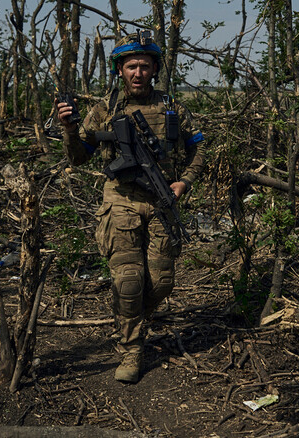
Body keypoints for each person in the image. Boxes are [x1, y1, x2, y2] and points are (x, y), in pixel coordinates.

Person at [56, 29, 204, 384]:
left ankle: (128, 316)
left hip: (162, 201)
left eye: (144, 65)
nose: (138, 73)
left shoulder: (173, 108)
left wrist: (184, 181)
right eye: (131, 66)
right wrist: (70, 130)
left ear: (154, 68)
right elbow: (78, 158)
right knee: (128, 281)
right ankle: (131, 350)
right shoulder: (105, 110)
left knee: (162, 282)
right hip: (120, 201)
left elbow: (198, 148)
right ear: (119, 70)